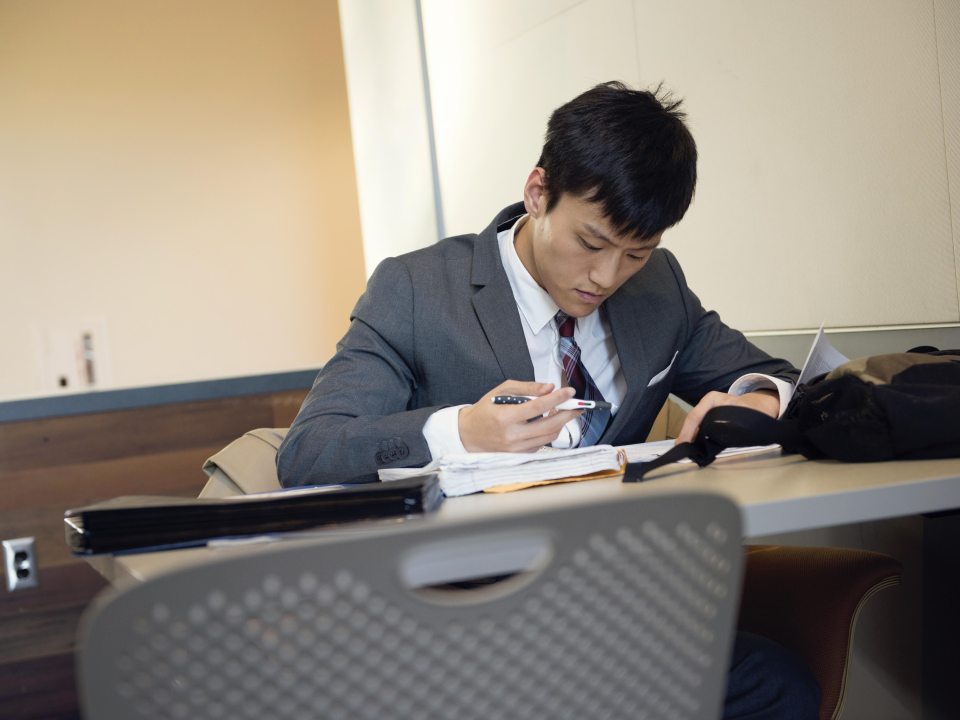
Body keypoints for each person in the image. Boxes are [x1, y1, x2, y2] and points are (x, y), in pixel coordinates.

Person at [278, 81, 820, 718]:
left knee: (778, 682)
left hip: (616, 620)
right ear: (537, 194)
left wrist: (758, 402)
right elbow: (309, 452)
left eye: (635, 253)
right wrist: (462, 433)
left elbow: (775, 377)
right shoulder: (417, 290)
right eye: (591, 244)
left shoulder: (659, 291)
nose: (607, 277)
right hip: (462, 631)